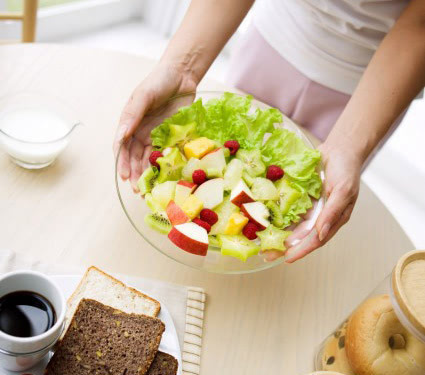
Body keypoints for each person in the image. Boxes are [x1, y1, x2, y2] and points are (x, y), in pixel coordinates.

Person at [114, 0, 425, 262]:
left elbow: (420, 23)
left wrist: (348, 146)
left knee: (316, 194)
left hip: (374, 91)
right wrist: (182, 69)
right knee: (236, 141)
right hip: (275, 38)